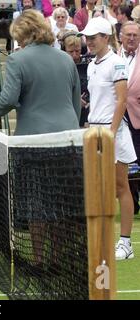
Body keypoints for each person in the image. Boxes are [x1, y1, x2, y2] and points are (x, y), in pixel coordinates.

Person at [0, 10, 81, 268]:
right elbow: (75, 105)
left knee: (36, 202)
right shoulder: (66, 59)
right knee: (61, 201)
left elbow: (7, 99)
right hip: (67, 141)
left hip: (33, 143)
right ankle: (58, 259)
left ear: (23, 33)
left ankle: (40, 261)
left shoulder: (18, 60)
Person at [78, 16, 136, 260]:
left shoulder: (118, 63)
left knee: (120, 186)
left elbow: (122, 101)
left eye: (93, 38)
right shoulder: (92, 65)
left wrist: (110, 133)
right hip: (95, 132)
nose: (89, 41)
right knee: (99, 189)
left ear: (105, 38)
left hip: (114, 133)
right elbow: (101, 101)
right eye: (88, 38)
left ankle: (125, 244)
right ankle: (103, 238)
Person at [118, 21, 140, 216]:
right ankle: (133, 203)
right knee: (124, 165)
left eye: (135, 35)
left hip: (138, 118)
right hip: (118, 120)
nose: (132, 38)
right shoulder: (111, 57)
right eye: (128, 35)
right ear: (120, 37)